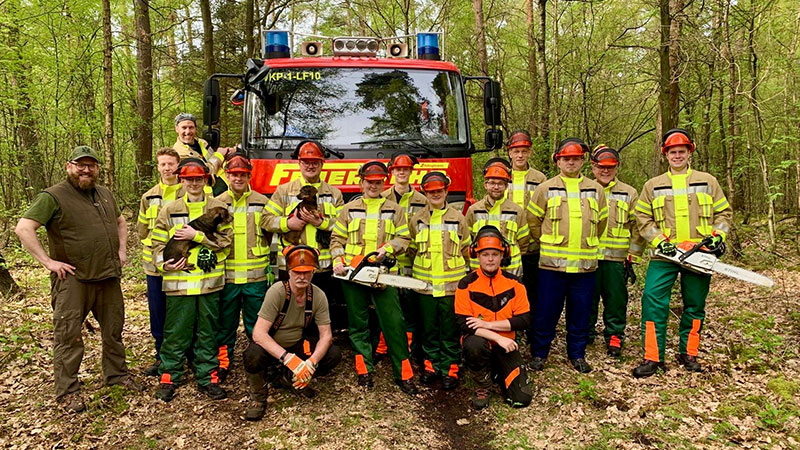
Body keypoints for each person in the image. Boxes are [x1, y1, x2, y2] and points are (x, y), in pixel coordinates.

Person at [15, 146, 141, 413]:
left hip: (107, 277)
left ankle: (117, 375)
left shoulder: (105, 193)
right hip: (74, 280)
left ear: (97, 168)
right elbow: (24, 228)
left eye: (91, 165)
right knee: (69, 337)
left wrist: (121, 251)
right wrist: (48, 262)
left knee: (113, 331)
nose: (86, 170)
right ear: (68, 166)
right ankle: (68, 391)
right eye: (80, 165)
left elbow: (120, 222)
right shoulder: (53, 196)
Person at [633, 128, 732, 378]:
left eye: (681, 151)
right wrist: (658, 241)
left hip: (699, 253)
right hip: (665, 255)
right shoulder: (652, 185)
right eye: (672, 152)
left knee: (695, 305)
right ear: (665, 154)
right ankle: (653, 356)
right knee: (653, 301)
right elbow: (642, 218)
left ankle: (689, 353)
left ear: (690, 152)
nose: (677, 156)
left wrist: (717, 237)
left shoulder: (707, 181)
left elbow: (724, 214)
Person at [331, 161, 418, 395]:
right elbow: (336, 240)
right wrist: (338, 261)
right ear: (362, 183)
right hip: (354, 275)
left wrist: (387, 249)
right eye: (370, 182)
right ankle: (364, 369)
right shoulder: (348, 209)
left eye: (378, 182)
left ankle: (404, 373)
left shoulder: (394, 209)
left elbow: (404, 239)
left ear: (383, 183)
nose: (374, 185)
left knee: (394, 323)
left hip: (383, 275)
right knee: (358, 323)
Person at [151, 158, 233, 401]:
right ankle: (169, 375)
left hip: (209, 283)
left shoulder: (219, 207)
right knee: (176, 331)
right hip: (179, 283)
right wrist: (162, 263)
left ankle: (207, 377)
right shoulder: (169, 209)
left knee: (208, 332)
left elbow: (226, 242)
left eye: (199, 179)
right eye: (189, 179)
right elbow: (156, 242)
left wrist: (198, 236)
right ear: (182, 180)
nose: (194, 183)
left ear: (206, 179)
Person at [528, 138, 608, 373]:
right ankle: (539, 353)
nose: (571, 162)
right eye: (566, 158)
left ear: (583, 160)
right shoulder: (545, 188)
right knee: (546, 311)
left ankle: (577, 354)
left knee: (580, 313)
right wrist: (547, 242)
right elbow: (533, 222)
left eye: (575, 158)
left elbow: (601, 223)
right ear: (558, 161)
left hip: (584, 268)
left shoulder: (596, 189)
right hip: (552, 267)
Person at [242, 245, 342, 421]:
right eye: (297, 272)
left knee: (333, 354)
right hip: (273, 346)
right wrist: (287, 358)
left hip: (297, 343)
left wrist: (311, 363)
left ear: (313, 272)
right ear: (289, 272)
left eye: (306, 272)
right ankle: (258, 397)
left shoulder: (317, 295)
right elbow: (258, 333)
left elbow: (326, 335)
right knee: (253, 355)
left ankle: (290, 379)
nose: (302, 277)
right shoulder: (277, 292)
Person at [263, 141, 344, 326]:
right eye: (306, 162)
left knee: (321, 314)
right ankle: (293, 347)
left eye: (315, 162)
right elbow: (265, 220)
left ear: (322, 164)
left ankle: (318, 349)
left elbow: (344, 226)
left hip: (323, 267)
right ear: (299, 163)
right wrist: (287, 223)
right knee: (291, 312)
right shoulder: (284, 191)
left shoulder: (334, 194)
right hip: (292, 267)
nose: (310, 166)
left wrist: (321, 222)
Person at [455, 225, 532, 410]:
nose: (490, 259)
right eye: (485, 254)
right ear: (477, 255)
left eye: (495, 254)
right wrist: (496, 335)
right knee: (474, 344)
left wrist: (486, 324)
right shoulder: (466, 284)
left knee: (521, 398)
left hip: (507, 344)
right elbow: (464, 323)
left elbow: (524, 320)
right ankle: (482, 383)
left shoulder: (514, 283)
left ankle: (498, 371)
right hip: (482, 342)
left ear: (502, 255)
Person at [407, 171, 470, 390]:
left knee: (450, 329)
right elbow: (412, 250)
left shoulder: (458, 218)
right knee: (429, 329)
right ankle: (431, 366)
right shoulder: (417, 220)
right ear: (425, 193)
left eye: (439, 191)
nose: (435, 195)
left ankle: (450, 368)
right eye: (431, 191)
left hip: (452, 288)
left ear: (446, 191)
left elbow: (465, 249)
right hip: (424, 288)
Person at [214, 152, 271, 382]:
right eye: (234, 174)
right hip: (226, 278)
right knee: (225, 324)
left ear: (249, 176)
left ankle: (258, 363)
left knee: (256, 324)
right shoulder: (217, 203)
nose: (238, 178)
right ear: (227, 175)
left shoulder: (262, 202)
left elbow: (271, 237)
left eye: (243, 174)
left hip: (255, 278)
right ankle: (223, 363)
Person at [588, 146, 645, 358]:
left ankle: (614, 335)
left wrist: (633, 255)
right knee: (587, 298)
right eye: (601, 167)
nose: (605, 171)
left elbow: (637, 225)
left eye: (610, 167)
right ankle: (586, 333)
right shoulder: (584, 189)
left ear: (617, 167)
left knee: (616, 299)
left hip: (617, 258)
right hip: (588, 257)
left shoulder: (629, 193)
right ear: (593, 167)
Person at [376, 152, 428, 363]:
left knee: (409, 307)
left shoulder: (422, 200)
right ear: (392, 172)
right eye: (398, 170)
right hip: (388, 261)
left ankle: (407, 349)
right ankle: (382, 347)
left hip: (413, 260)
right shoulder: (382, 198)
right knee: (387, 305)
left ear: (411, 172)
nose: (402, 173)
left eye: (405, 169)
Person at [137, 147, 185, 377]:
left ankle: (186, 355)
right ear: (157, 167)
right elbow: (142, 230)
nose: (167, 168)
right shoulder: (148, 197)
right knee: (158, 313)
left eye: (171, 164)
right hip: (155, 267)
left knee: (183, 313)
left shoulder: (190, 192)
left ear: (178, 165)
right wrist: (158, 256)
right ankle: (160, 356)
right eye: (163, 164)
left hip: (183, 264)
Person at [505, 130, 547, 318]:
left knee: (532, 291)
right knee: (507, 291)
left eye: (524, 151)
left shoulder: (540, 179)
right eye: (516, 151)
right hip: (506, 247)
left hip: (532, 247)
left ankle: (531, 329)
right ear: (509, 153)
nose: (520, 155)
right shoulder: (500, 176)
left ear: (530, 152)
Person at [464, 158, 529, 277]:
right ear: (485, 185)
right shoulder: (473, 210)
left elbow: (524, 243)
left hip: (510, 271)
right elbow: (467, 240)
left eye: (500, 184)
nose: (496, 187)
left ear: (506, 186)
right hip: (480, 271)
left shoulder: (516, 211)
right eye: (492, 183)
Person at [172, 113, 234, 196]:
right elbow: (204, 171)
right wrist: (219, 155)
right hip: (206, 195)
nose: (188, 131)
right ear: (177, 129)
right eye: (184, 128)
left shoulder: (202, 143)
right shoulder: (178, 153)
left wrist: (228, 153)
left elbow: (215, 162)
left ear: (195, 129)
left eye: (191, 127)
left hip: (225, 189)